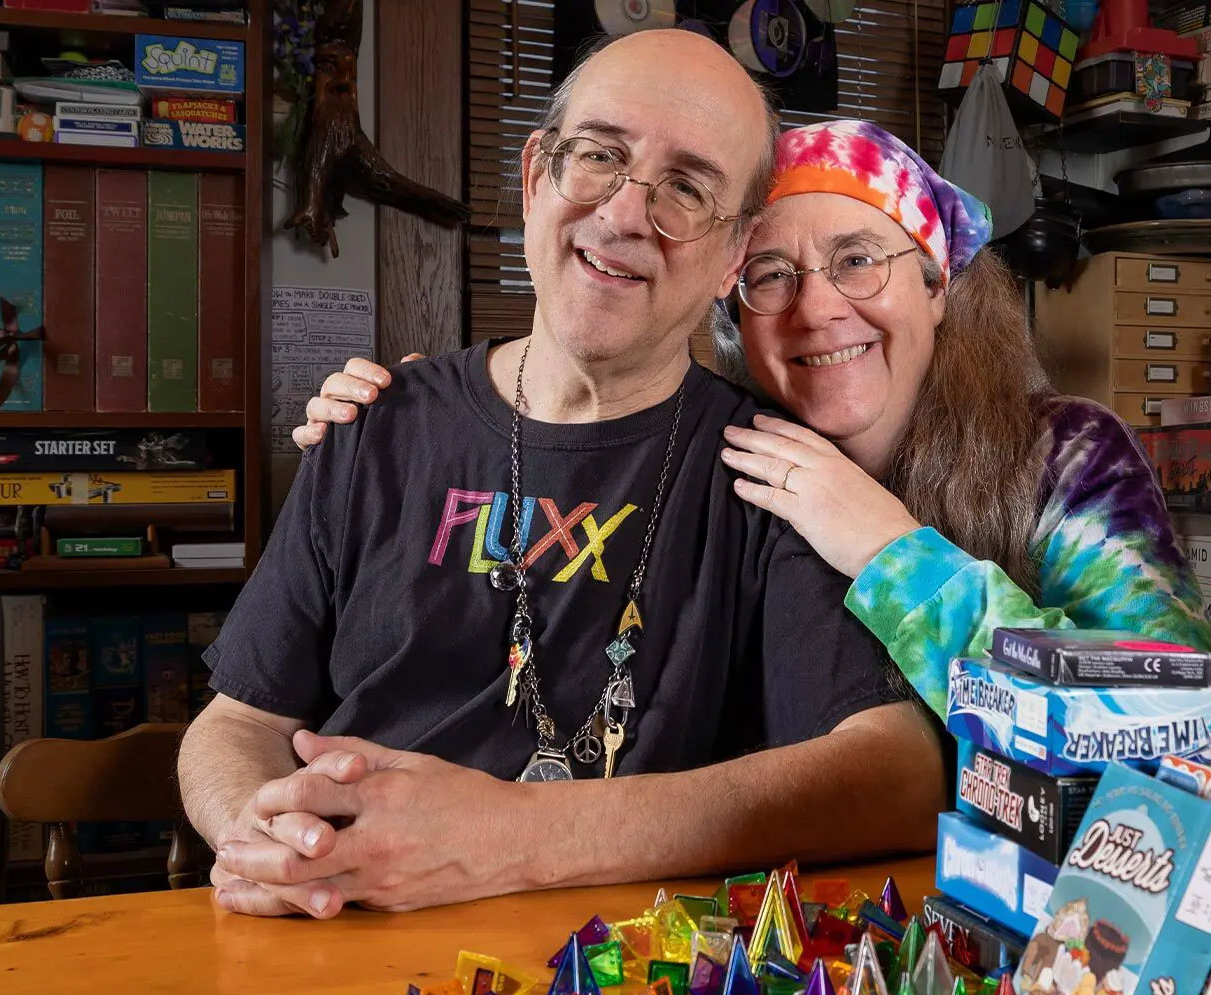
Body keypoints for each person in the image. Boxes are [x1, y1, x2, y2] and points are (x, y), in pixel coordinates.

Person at [182, 31, 945, 921]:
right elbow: (237, 723)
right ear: (536, 174)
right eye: (599, 156)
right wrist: (273, 842)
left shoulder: (778, 472)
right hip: (333, 938)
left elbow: (898, 771)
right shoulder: (374, 425)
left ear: (734, 256)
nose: (625, 215)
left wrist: (516, 836)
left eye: (687, 188)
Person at [296, 119, 1211, 719]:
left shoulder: (1064, 457)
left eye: (859, 259)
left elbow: (1183, 713)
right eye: (771, 277)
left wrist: (894, 555)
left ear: (938, 288)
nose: (815, 310)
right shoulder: (703, 461)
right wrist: (407, 426)